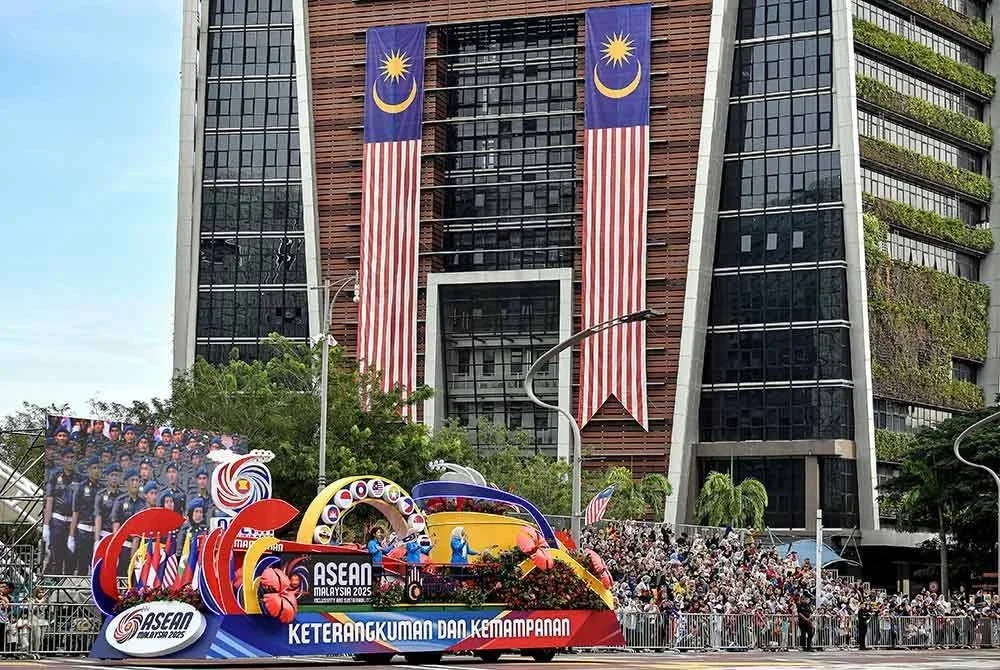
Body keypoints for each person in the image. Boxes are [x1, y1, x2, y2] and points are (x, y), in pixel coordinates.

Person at [43, 448, 79, 575]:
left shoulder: (79, 478)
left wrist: (72, 534)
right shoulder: (55, 475)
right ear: (63, 459)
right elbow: (50, 500)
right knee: (55, 557)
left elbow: (78, 506)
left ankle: (66, 590)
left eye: (72, 457)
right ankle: (52, 589)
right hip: (57, 521)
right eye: (67, 457)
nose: (70, 460)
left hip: (72, 523)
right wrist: (46, 525)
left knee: (70, 558)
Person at [68, 457, 101, 575]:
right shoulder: (81, 487)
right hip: (83, 531)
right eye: (94, 468)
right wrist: (71, 536)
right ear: (88, 470)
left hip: (98, 532)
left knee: (96, 564)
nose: (97, 471)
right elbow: (75, 512)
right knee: (82, 564)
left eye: (98, 468)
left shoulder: (102, 489)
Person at [94, 465, 121, 542]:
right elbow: (98, 517)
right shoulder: (101, 495)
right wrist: (97, 540)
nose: (114, 478)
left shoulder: (123, 496)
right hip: (104, 534)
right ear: (107, 477)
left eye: (117, 475)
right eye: (112, 475)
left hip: (118, 536)